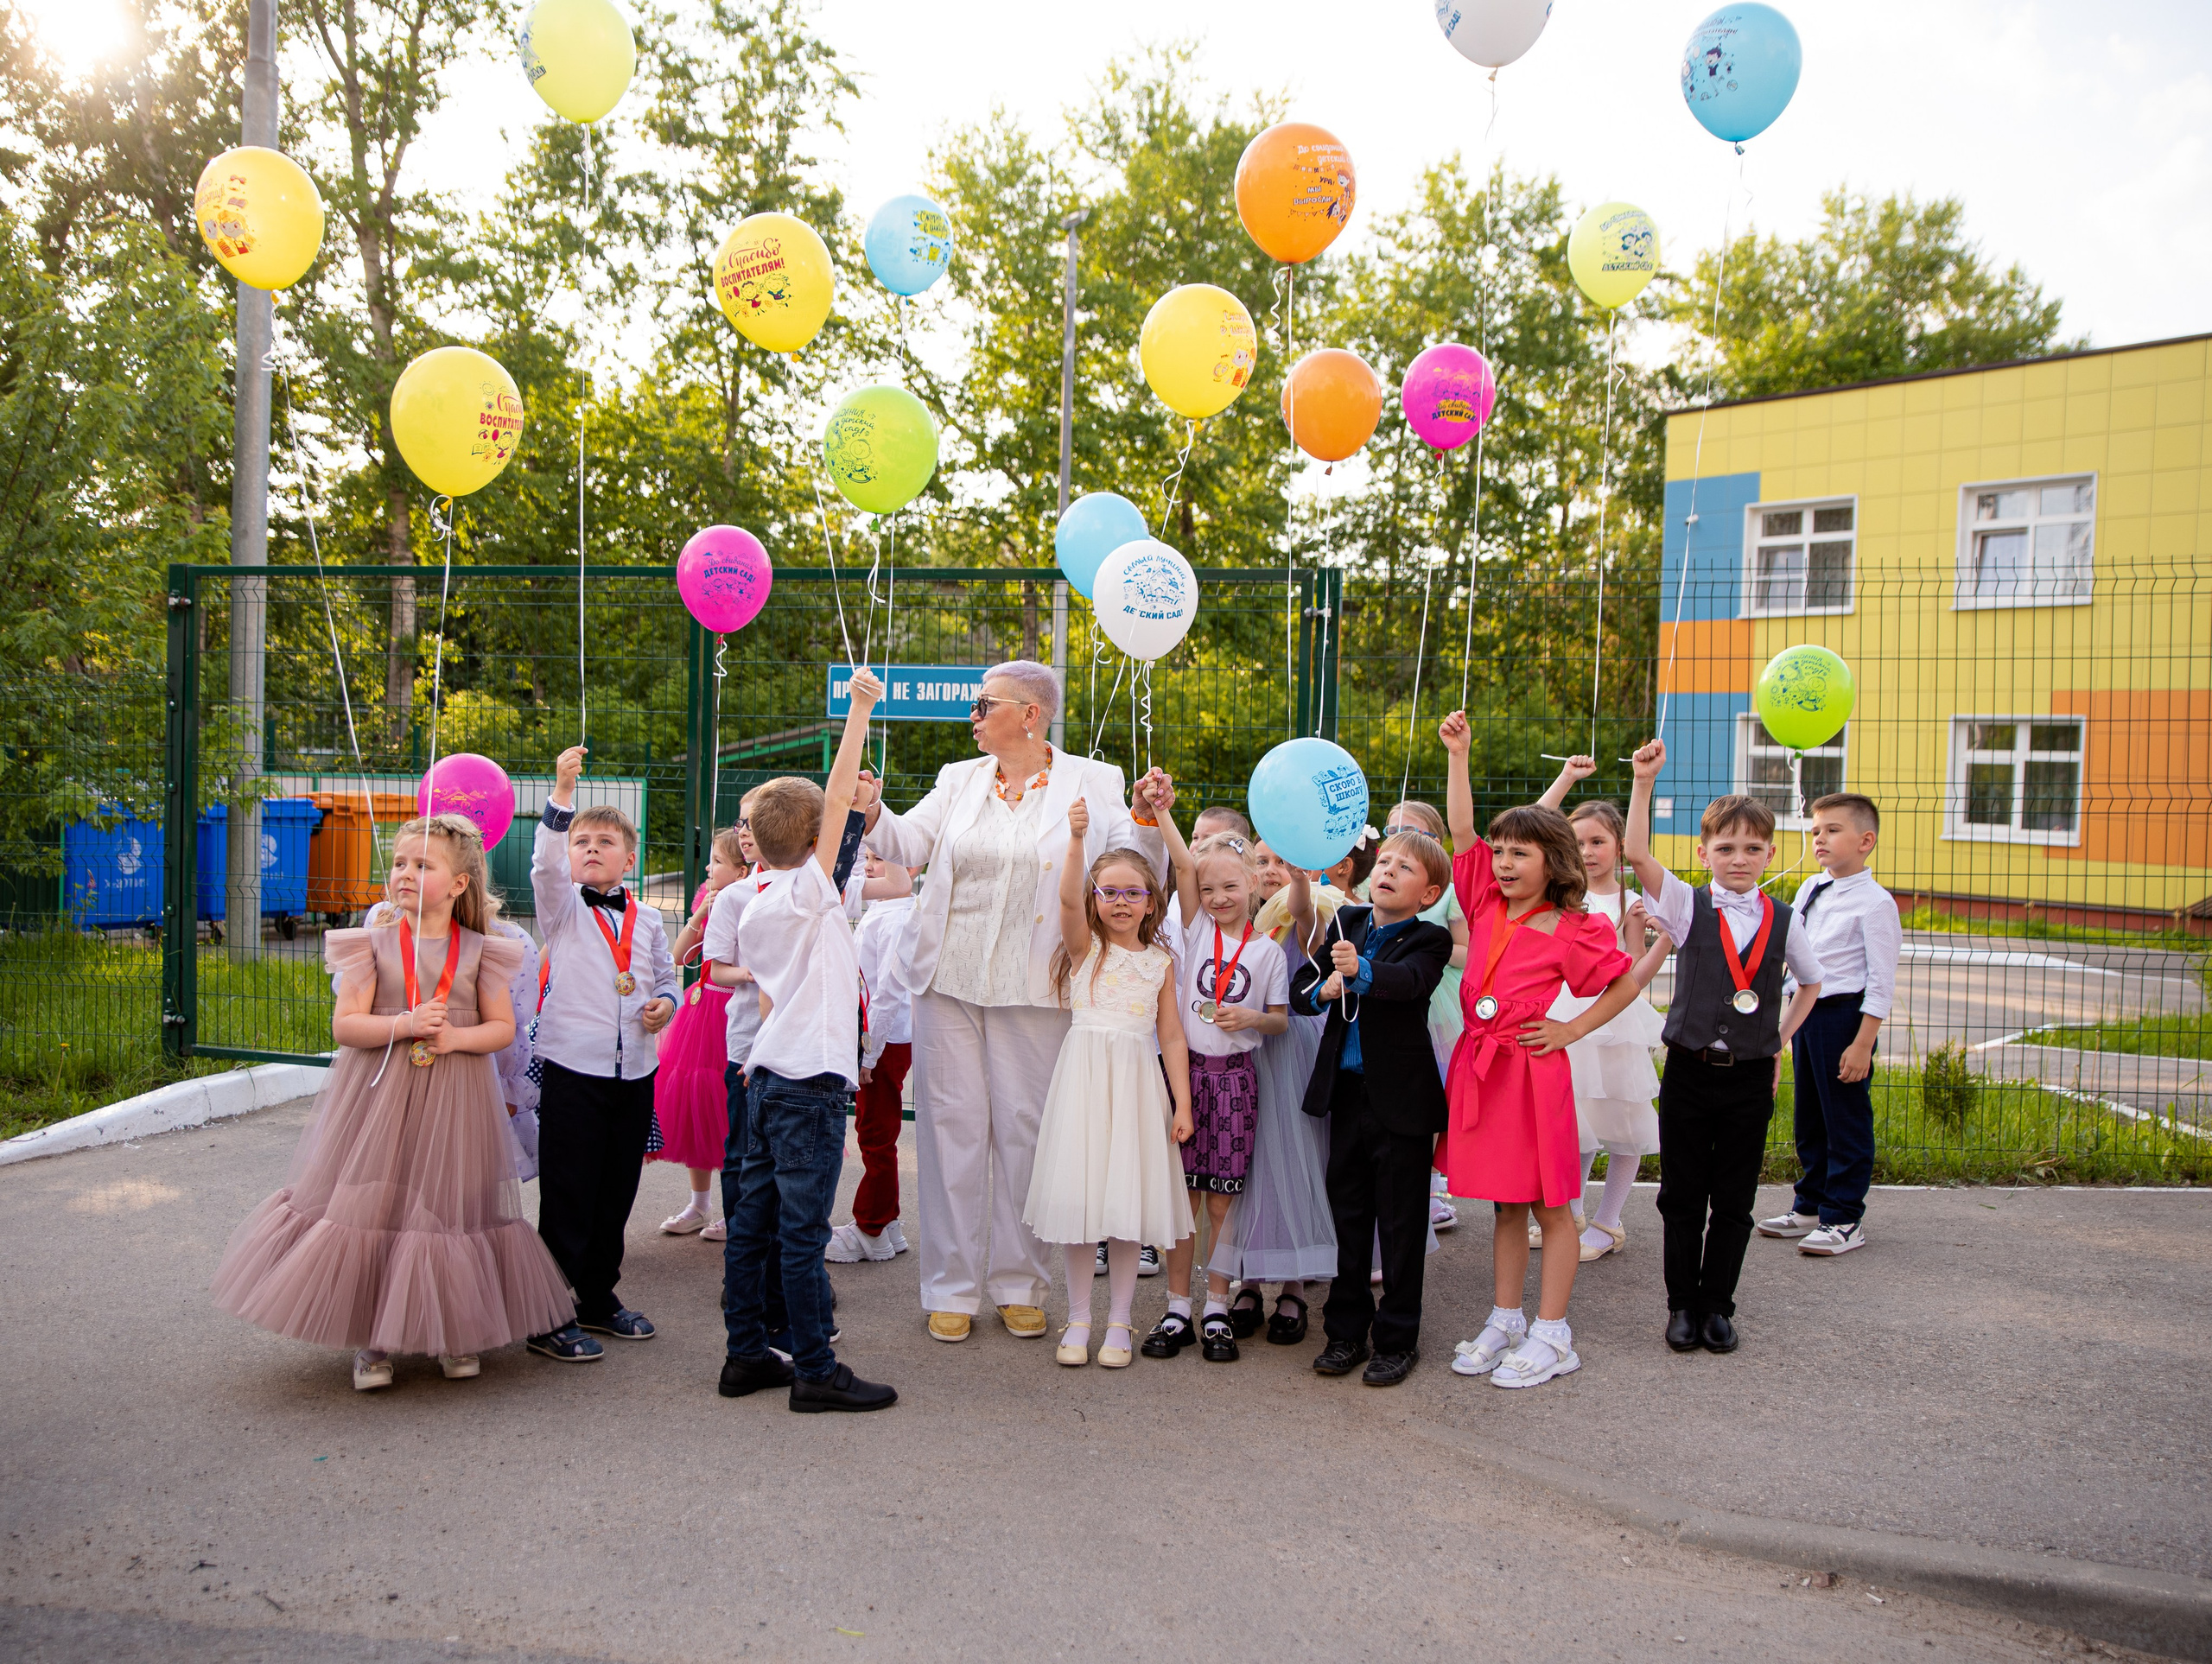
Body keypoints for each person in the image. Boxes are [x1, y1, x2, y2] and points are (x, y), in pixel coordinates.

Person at [860, 659, 1171, 1344]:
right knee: (950, 1131)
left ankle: (1020, 1284)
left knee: (1028, 1133)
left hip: (1040, 985)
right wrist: (872, 809)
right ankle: (950, 1287)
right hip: (947, 980)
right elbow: (909, 844)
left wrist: (1150, 815)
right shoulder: (958, 778)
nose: (972, 715)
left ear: (1032, 713)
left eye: (984, 703)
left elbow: (1134, 863)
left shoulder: (1095, 780)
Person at [212, 815, 574, 1390]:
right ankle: (373, 1339)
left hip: (455, 1096)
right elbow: (346, 1026)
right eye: (400, 863)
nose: (404, 874)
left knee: (449, 1204)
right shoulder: (370, 944)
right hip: (379, 1096)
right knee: (377, 1199)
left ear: (458, 884)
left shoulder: (485, 950)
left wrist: (457, 1037)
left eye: (422, 865)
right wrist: (404, 1023)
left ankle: (454, 1333)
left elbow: (503, 1029)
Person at [1437, 716, 1639, 1388]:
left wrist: (1572, 1031)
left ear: (1554, 861)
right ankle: (1506, 1318)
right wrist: (1459, 756)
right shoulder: (1487, 901)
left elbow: (1623, 982)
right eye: (1500, 853)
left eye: (1519, 854)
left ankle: (1555, 1333)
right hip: (1481, 1069)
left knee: (1553, 1206)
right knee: (1503, 1203)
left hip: (1532, 1074)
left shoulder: (1577, 927)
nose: (1503, 863)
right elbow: (1461, 832)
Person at [716, 668, 898, 1413]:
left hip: (764, 1080)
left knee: (751, 1225)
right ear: (814, 840)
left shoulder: (758, 906)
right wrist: (857, 712)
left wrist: (843, 811)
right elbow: (839, 793)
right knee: (801, 1233)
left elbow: (827, 829)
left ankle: (745, 1354)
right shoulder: (811, 892)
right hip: (808, 1087)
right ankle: (815, 1370)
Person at [1624, 739, 1825, 1355]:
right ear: (1704, 852)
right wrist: (1643, 781)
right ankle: (1682, 1305)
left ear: (1770, 853)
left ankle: (1718, 1307)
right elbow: (1635, 852)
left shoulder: (1786, 918)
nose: (1739, 859)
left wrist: (1778, 1041)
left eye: (1752, 848)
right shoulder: (1686, 905)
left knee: (1733, 1200)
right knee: (1682, 1195)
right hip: (1689, 1072)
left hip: (1748, 1078)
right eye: (1726, 847)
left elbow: (1811, 984)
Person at [1023, 797, 1193, 1369]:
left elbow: (1171, 1037)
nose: (1121, 902)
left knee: (1124, 1208)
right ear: (1097, 900)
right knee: (1079, 1206)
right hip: (1084, 1082)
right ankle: (1078, 1319)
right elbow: (1066, 897)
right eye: (1110, 892)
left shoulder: (1160, 962)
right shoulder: (1084, 951)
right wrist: (1076, 840)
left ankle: (1119, 1322)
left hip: (1138, 1087)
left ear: (1151, 902)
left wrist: (1182, 1102)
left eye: (1133, 893)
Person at [529, 748, 681, 1360]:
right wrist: (562, 795)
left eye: (605, 841)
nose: (591, 849)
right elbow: (544, 866)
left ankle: (596, 1296)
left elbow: (667, 978)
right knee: (569, 1189)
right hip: (574, 1068)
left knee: (615, 1189)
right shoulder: (561, 907)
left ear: (631, 856)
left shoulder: (646, 920)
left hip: (634, 1070)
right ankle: (546, 1310)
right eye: (581, 842)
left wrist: (665, 1006)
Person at [1291, 829, 1453, 1387]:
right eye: (1384, 861)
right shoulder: (1346, 922)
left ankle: (1397, 1337)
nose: (1387, 870)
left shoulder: (1429, 939)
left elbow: (1408, 984)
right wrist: (1325, 991)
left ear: (1427, 893)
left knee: (1402, 1223)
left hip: (1402, 1105)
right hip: (1348, 1096)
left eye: (1404, 868)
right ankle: (1344, 1333)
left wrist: (1361, 971)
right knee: (1351, 1216)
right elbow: (1300, 991)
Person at [1145, 809, 1288, 1361]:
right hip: (1186, 1079)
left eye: (1231, 886)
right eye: (1208, 889)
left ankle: (1218, 1306)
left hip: (1235, 1085)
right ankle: (1178, 1305)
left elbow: (1278, 1019)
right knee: (1184, 1200)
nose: (1219, 897)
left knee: (1225, 1204)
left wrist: (1250, 1019)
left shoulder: (1267, 951)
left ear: (1253, 883)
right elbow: (1183, 862)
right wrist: (1162, 813)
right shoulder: (1195, 928)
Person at [1535, 758, 1672, 1261]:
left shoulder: (1629, 901)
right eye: (1579, 842)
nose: (1588, 852)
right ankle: (1568, 1214)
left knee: (1620, 1118)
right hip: (1566, 1018)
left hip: (1613, 1023)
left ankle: (1608, 1221)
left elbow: (1634, 969)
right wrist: (1567, 778)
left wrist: (1663, 942)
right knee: (1575, 1119)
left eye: (1598, 842)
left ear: (1618, 845)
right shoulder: (1560, 899)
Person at [1199, 860, 1337, 1348]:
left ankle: (1295, 1286)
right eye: (1264, 860)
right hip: (1239, 1059)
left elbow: (1303, 912)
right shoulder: (1233, 925)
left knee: (1291, 1164)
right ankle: (1249, 1281)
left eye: (1282, 861)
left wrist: (1301, 880)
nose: (1273, 869)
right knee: (1246, 1171)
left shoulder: (1307, 908)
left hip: (1290, 1051)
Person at [1758, 792, 1899, 1258]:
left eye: (1832, 830)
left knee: (1845, 1118)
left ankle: (1844, 1217)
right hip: (1807, 1012)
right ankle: (1811, 1205)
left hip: (1845, 1017)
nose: (1819, 838)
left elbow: (1880, 983)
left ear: (1866, 841)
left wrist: (1863, 1044)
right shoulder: (1812, 889)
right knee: (1811, 1116)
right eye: (1815, 830)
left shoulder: (1876, 904)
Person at [652, 827, 747, 1235]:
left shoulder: (753, 902)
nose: (708, 867)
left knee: (727, 1110)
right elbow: (678, 957)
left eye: (719, 862)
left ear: (742, 872)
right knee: (693, 1102)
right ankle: (699, 1204)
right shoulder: (706, 900)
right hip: (700, 1006)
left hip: (733, 1010)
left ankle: (735, 1208)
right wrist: (699, 914)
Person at [1381, 798, 1468, 1235]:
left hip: (1438, 1001)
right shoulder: (1374, 884)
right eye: (1392, 830)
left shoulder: (1448, 892)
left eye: (1416, 834)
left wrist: (1419, 947)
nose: (1402, 840)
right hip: (1388, 997)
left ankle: (1433, 1187)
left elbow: (1468, 952)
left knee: (1432, 1089)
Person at [832, 851, 919, 1263]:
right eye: (867, 858)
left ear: (911, 868)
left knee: (875, 1133)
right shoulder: (884, 910)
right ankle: (888, 1224)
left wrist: (870, 1053)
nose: (868, 866)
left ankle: (870, 1225)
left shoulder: (898, 917)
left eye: (879, 859)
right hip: (879, 1038)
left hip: (883, 1041)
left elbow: (888, 993)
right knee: (876, 1128)